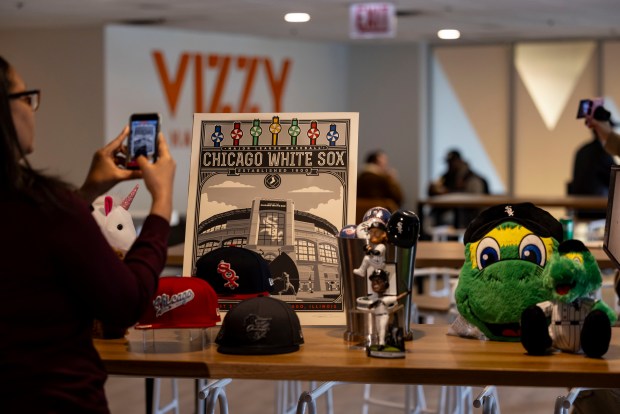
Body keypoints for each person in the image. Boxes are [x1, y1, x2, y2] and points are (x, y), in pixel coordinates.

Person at [0, 56, 176, 412]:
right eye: (26, 97)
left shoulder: (49, 212)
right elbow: (127, 301)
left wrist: (84, 196)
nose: (32, 110)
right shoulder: (49, 210)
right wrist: (161, 205)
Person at [569, 106, 616, 219]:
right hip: (598, 212)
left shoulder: (581, 150)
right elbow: (614, 182)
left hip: (581, 211)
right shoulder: (602, 153)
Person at [427, 149, 489, 228]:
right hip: (445, 212)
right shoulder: (446, 177)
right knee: (429, 219)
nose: (450, 165)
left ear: (460, 161)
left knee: (448, 219)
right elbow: (434, 189)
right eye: (448, 162)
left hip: (465, 216)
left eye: (452, 162)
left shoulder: (472, 179)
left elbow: (474, 202)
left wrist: (449, 193)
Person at [356, 150, 404, 223]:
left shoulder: (358, 178)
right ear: (378, 162)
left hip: (359, 219)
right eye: (385, 161)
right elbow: (399, 198)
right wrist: (392, 181)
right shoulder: (384, 179)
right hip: (381, 217)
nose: (386, 164)